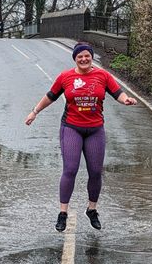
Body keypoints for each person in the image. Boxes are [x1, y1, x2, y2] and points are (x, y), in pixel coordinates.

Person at [25, 42, 137, 232]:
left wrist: (125, 100)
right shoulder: (65, 77)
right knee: (70, 169)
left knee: (95, 171)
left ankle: (92, 210)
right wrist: (34, 112)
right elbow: (50, 96)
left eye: (87, 56)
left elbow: (117, 93)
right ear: (75, 59)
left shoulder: (103, 76)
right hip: (71, 128)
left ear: (91, 57)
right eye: (80, 57)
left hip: (95, 130)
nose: (84, 59)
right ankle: (62, 213)